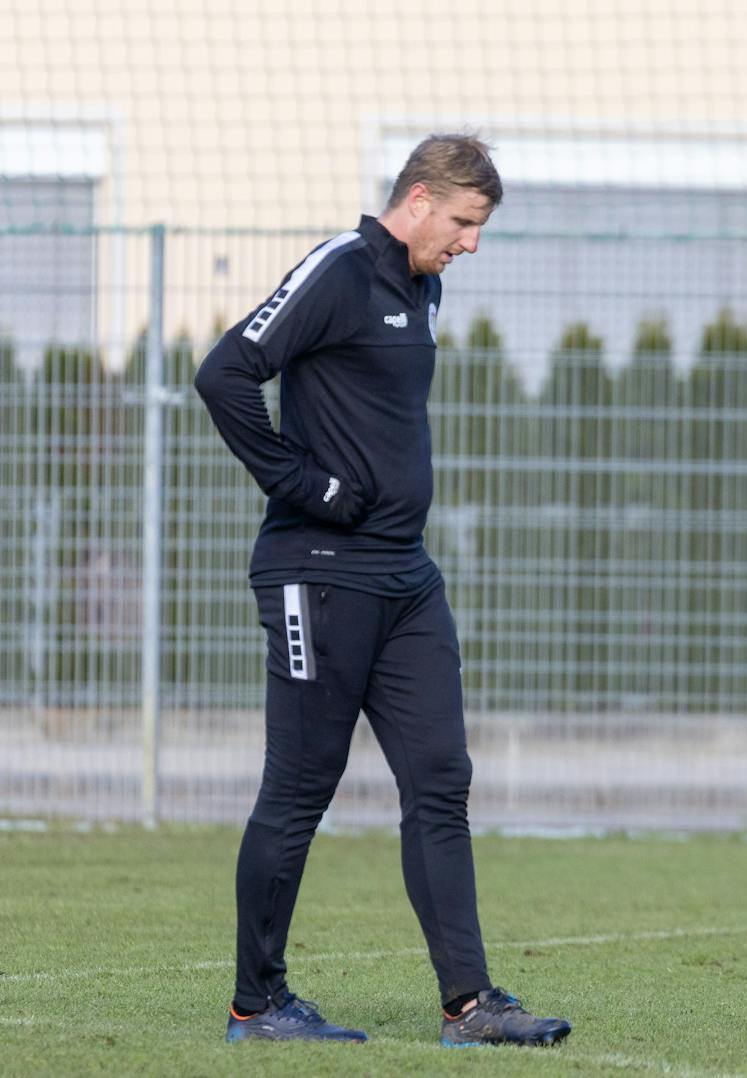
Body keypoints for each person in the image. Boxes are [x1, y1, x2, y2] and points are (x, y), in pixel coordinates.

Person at [195, 134, 571, 1048]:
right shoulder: (339, 269)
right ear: (416, 200)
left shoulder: (423, 287)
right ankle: (259, 1004)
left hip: (405, 576)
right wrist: (307, 485)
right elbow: (225, 373)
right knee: (299, 790)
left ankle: (472, 1007)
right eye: (464, 224)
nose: (470, 245)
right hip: (316, 576)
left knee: (441, 780)